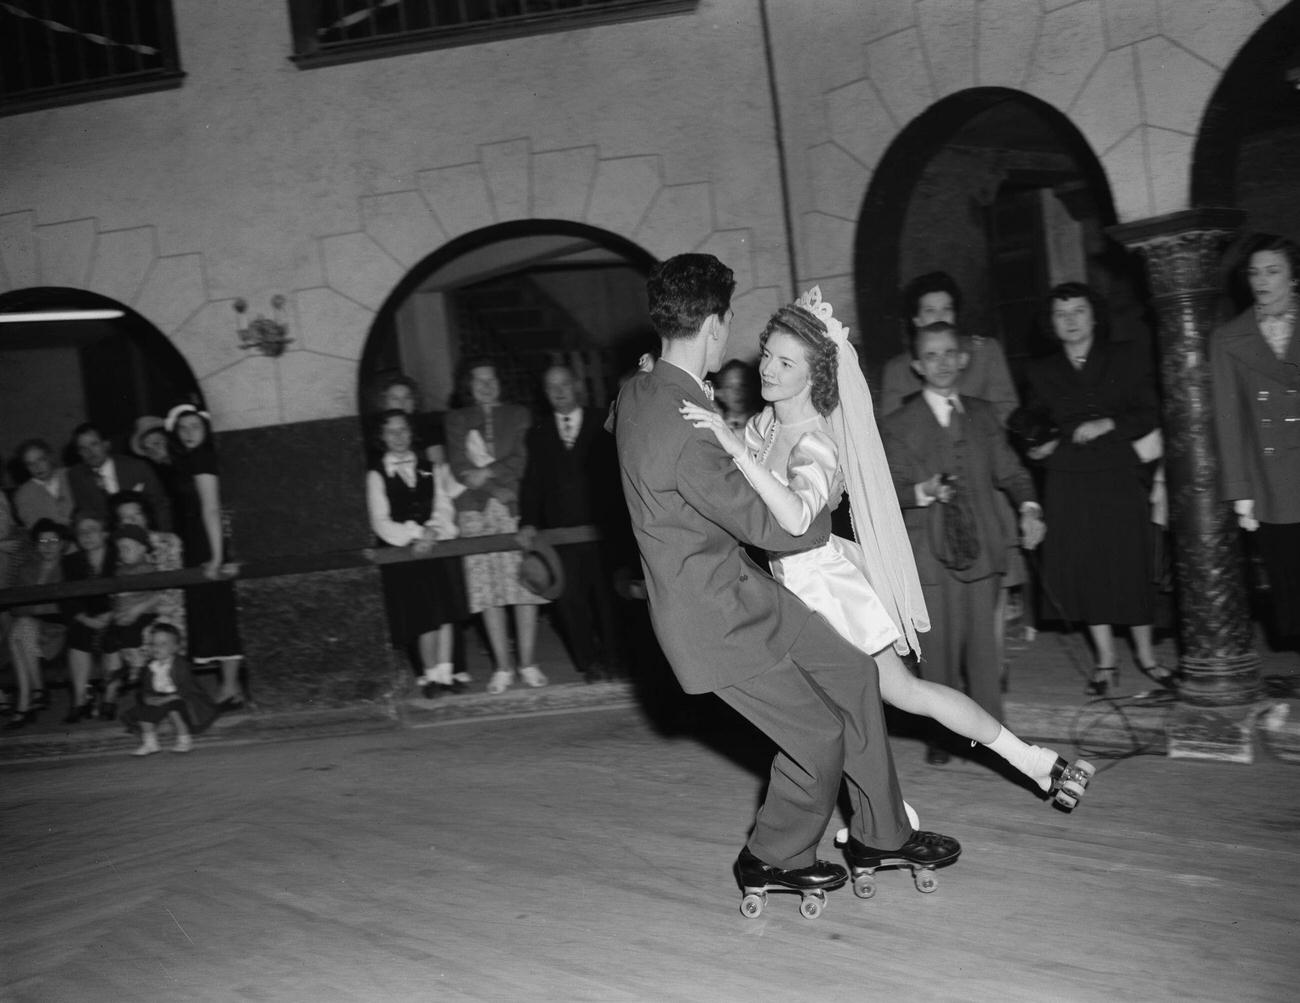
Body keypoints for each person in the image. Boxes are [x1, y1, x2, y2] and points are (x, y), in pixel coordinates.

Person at [616, 253, 959, 907]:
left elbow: (620, 411)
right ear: (716, 325)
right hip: (713, 620)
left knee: (855, 675)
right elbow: (789, 531)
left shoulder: (641, 390)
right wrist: (798, 477)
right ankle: (771, 855)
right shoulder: (690, 432)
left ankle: (882, 832)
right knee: (817, 735)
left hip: (742, 594)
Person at [683, 293, 1075, 798]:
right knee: (845, 710)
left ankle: (1031, 762)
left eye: (786, 362)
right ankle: (899, 811)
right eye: (767, 355)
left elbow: (798, 516)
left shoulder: (817, 444)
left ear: (814, 374)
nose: (768, 369)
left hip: (823, 591)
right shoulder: (767, 424)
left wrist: (738, 450)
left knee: (896, 695)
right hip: (785, 589)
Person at [882, 321, 1056, 767]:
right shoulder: (899, 423)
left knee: (984, 655)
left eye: (949, 353)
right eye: (931, 356)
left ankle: (995, 744)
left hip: (982, 551)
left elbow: (1012, 473)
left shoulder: (982, 413)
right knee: (937, 656)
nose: (941, 363)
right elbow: (887, 491)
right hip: (930, 558)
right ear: (918, 366)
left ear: (963, 359)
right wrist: (924, 491)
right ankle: (943, 738)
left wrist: (1030, 507)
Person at [1024, 282, 1166, 695]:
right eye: (1060, 314)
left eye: (1078, 311)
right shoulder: (1040, 370)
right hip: (1067, 479)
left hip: (1119, 474)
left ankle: (1148, 657)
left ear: (1095, 315)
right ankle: (1106, 662)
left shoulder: (1125, 356)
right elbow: (1032, 422)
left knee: (1131, 564)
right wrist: (1037, 443)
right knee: (1087, 569)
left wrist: (1108, 424)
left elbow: (1149, 413)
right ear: (1051, 323)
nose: (1070, 321)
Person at [1210, 233, 1300, 646]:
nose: (1262, 280)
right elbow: (1229, 421)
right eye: (1254, 272)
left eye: (1273, 271)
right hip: (1272, 478)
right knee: (1289, 581)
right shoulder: (1229, 338)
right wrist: (1240, 491)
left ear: (1293, 276)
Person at [445, 359, 549, 695]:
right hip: (474, 511)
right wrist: (494, 486)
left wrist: (488, 475)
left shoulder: (518, 414)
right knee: (486, 590)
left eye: (491, 380)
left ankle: (529, 663)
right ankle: (503, 667)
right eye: (478, 381)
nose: (486, 386)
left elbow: (522, 458)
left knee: (523, 585)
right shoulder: (456, 419)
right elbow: (460, 466)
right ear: (468, 385)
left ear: (501, 383)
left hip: (512, 507)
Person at [520, 364, 622, 682]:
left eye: (564, 384)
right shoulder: (537, 433)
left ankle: (616, 662)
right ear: (545, 394)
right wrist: (528, 522)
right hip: (560, 534)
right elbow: (532, 482)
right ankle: (588, 663)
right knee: (571, 601)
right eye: (552, 387)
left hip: (601, 529)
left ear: (577, 386)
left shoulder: (603, 420)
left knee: (608, 599)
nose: (559, 391)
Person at [366, 408, 470, 696]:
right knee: (424, 617)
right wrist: (415, 534)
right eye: (391, 431)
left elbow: (443, 505)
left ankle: (447, 671)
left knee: (446, 612)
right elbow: (381, 521)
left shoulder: (428, 467)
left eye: (404, 430)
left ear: (412, 433)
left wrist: (434, 530)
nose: (399, 436)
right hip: (405, 555)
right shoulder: (376, 475)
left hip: (434, 548)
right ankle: (431, 675)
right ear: (382, 437)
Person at [166, 404, 245, 708]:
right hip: (202, 540)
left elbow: (210, 507)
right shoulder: (190, 459)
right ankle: (232, 686)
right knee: (216, 611)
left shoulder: (202, 457)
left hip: (210, 542)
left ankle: (227, 687)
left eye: (194, 426)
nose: (188, 433)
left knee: (220, 611)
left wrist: (215, 556)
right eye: (182, 428)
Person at [880, 271, 1018, 421]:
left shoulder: (984, 351)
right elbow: (892, 427)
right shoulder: (898, 369)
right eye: (930, 311)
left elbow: (1008, 410)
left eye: (947, 309)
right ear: (917, 320)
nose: (940, 317)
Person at [3, 519, 66, 728]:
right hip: (30, 627)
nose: (47, 545)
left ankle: (27, 701)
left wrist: (36, 610)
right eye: (42, 541)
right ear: (36, 545)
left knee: (19, 629)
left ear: (62, 543)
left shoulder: (68, 567)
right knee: (21, 628)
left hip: (57, 630)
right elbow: (15, 607)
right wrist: (38, 610)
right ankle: (34, 694)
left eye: (53, 540)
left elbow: (64, 609)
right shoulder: (27, 569)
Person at [120, 623, 218, 756]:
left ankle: (184, 739)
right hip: (160, 697)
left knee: (174, 710)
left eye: (163, 644)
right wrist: (148, 698)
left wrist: (169, 698)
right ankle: (150, 743)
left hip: (181, 698)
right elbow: (146, 687)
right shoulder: (150, 666)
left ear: (175, 647)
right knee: (143, 712)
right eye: (154, 644)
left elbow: (188, 688)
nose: (157, 648)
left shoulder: (180, 665)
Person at [60, 511, 119, 722]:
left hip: (116, 614)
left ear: (104, 533)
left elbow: (129, 590)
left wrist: (113, 613)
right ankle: (79, 700)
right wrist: (85, 619)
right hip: (87, 617)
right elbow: (67, 598)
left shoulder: (118, 555)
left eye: (92, 530)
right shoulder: (71, 561)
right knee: (77, 635)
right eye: (81, 531)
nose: (86, 535)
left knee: (114, 636)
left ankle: (110, 699)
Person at [67, 422, 173, 532]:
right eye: (83, 448)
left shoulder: (136, 467)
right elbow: (87, 514)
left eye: (94, 444)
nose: (89, 452)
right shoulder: (77, 476)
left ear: (106, 444)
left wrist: (162, 535)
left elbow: (160, 505)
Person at [12, 439, 75, 528]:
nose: (37, 467)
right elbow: (33, 526)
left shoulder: (71, 475)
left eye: (41, 460)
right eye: (30, 464)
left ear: (50, 458)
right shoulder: (23, 494)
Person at [712, 358, 760, 431]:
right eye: (730, 387)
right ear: (720, 394)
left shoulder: (763, 424)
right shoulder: (715, 425)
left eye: (743, 385)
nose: (737, 392)